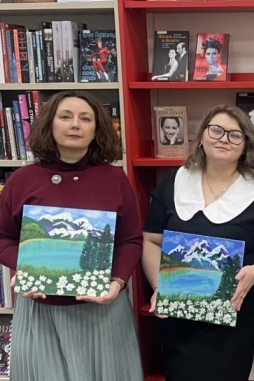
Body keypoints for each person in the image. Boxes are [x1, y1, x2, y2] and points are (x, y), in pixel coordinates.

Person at [142, 105, 254, 381]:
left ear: (246, 145)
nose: (224, 139)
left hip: (235, 313)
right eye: (216, 130)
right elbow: (152, 240)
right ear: (202, 136)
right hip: (180, 312)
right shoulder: (175, 181)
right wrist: (159, 285)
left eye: (235, 135)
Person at [0, 90, 143, 380]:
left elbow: (130, 240)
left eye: (85, 118)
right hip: (40, 312)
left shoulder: (115, 179)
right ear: (49, 124)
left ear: (96, 129)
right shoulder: (22, 180)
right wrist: (25, 268)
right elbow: (3, 237)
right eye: (65, 117)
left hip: (102, 311)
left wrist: (116, 283)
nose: (75, 124)